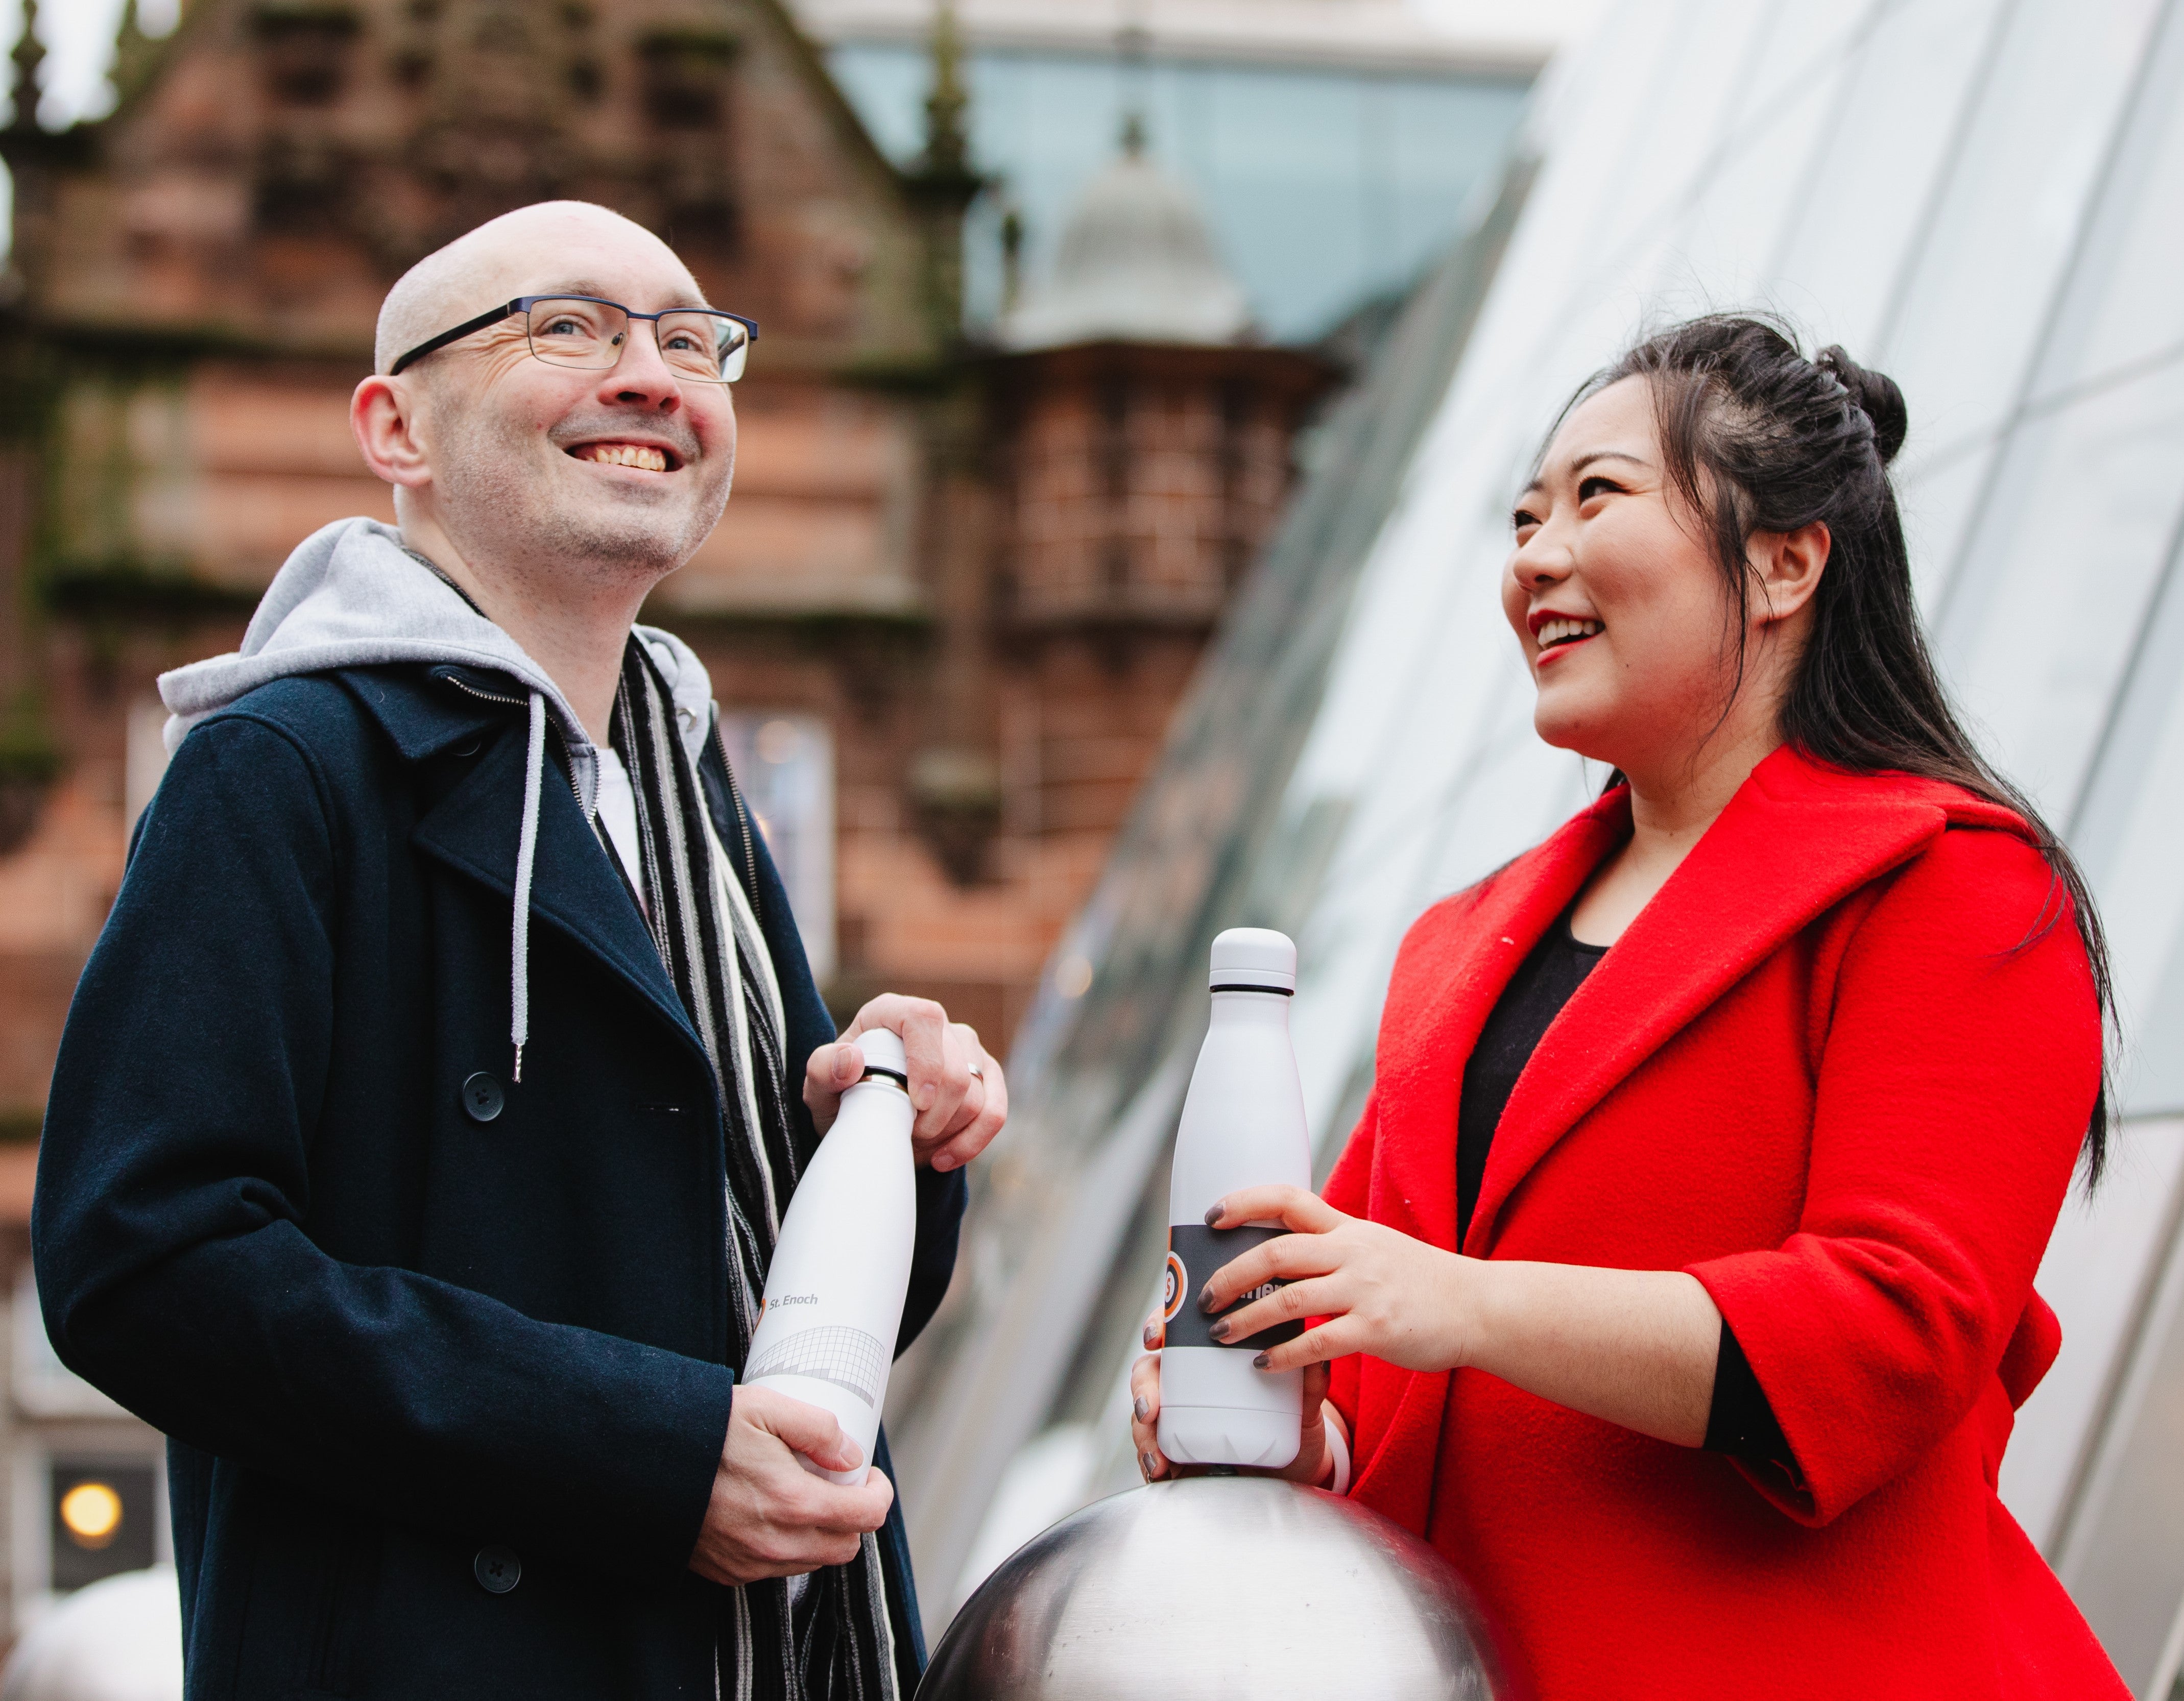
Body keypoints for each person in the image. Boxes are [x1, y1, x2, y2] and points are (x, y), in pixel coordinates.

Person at [34, 201, 1007, 1699]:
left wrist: (883, 1144)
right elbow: (145, 1262)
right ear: (394, 429)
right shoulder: (284, 763)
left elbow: (769, 1325)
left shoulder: (688, 792)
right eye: (569, 328)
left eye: (691, 340)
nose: (651, 376)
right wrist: (652, 1454)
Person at [1130, 315, 2125, 1697]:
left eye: (1595, 497)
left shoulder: (1953, 887)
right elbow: (1380, 1343)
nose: (1534, 557)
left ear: (1784, 563)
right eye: (1523, 515)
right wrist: (1299, 1422)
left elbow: (1893, 1333)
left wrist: (1459, 1306)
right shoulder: (1458, 946)